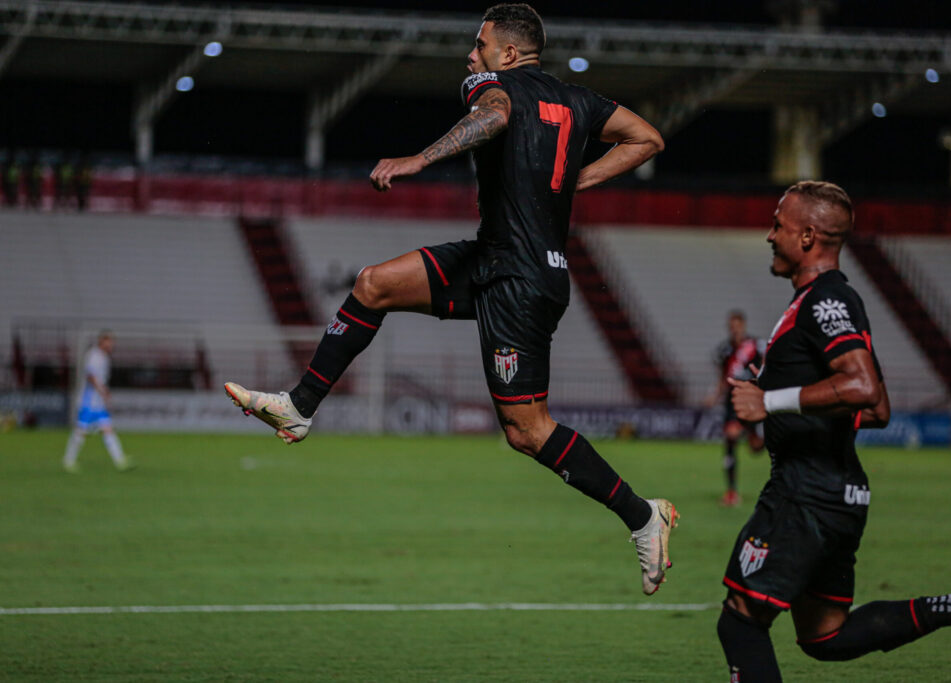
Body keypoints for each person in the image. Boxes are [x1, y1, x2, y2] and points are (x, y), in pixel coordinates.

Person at [225, 3, 678, 595]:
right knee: (372, 285)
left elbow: (491, 117)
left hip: (519, 280)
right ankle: (299, 406)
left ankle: (644, 515)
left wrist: (420, 158)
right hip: (494, 257)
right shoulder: (580, 100)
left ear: (509, 53)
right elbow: (647, 137)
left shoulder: (493, 83)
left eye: (480, 44)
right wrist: (577, 179)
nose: (471, 54)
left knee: (526, 430)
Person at [716, 180, 951, 681]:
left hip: (806, 493)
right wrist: (782, 390)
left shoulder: (825, 301)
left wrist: (768, 400)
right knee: (825, 636)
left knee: (742, 623)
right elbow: (878, 406)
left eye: (779, 225)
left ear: (809, 236)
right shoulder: (825, 302)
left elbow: (861, 387)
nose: (769, 235)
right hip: (840, 493)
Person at [704, 310, 764, 506]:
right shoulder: (724, 350)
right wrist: (715, 395)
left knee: (756, 448)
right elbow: (723, 377)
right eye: (731, 326)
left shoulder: (755, 346)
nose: (734, 329)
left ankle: (753, 435)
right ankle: (731, 491)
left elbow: (765, 368)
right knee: (730, 437)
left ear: (743, 325)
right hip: (733, 400)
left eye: (737, 326)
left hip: (754, 399)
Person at [63, 331, 135, 473]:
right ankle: (68, 460)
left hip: (98, 402)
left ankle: (120, 460)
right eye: (108, 342)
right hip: (88, 401)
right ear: (101, 342)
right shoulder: (94, 355)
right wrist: (102, 390)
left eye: (112, 342)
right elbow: (91, 376)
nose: (111, 345)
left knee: (108, 429)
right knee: (81, 431)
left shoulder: (104, 357)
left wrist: (103, 392)